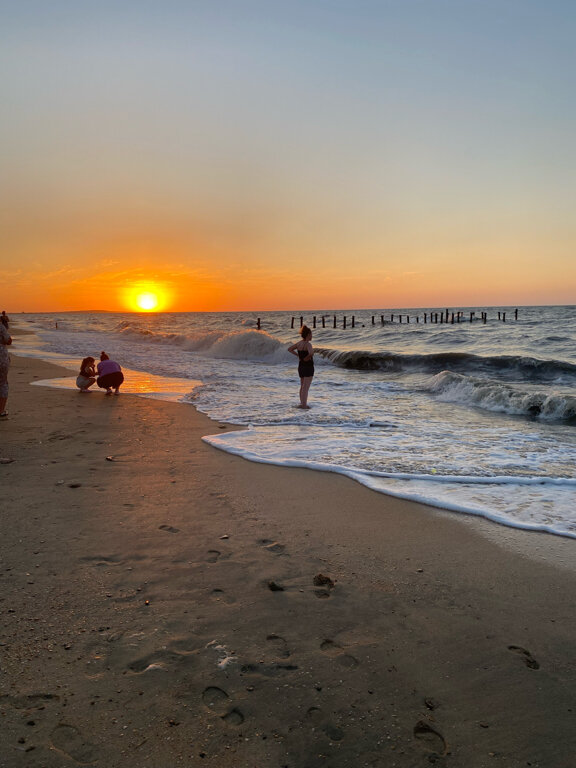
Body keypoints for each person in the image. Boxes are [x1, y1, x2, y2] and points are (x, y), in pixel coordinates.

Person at [288, 324, 315, 409]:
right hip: (308, 366)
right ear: (307, 335)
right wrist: (307, 358)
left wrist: (299, 356)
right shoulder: (308, 344)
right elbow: (311, 353)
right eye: (311, 334)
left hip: (301, 366)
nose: (311, 336)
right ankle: (304, 405)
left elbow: (290, 349)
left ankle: (302, 403)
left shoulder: (299, 343)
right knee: (306, 387)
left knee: (302, 386)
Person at [0, 320, 12, 418]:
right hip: (1, 359)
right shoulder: (1, 327)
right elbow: (9, 340)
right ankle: (1, 410)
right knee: (3, 383)